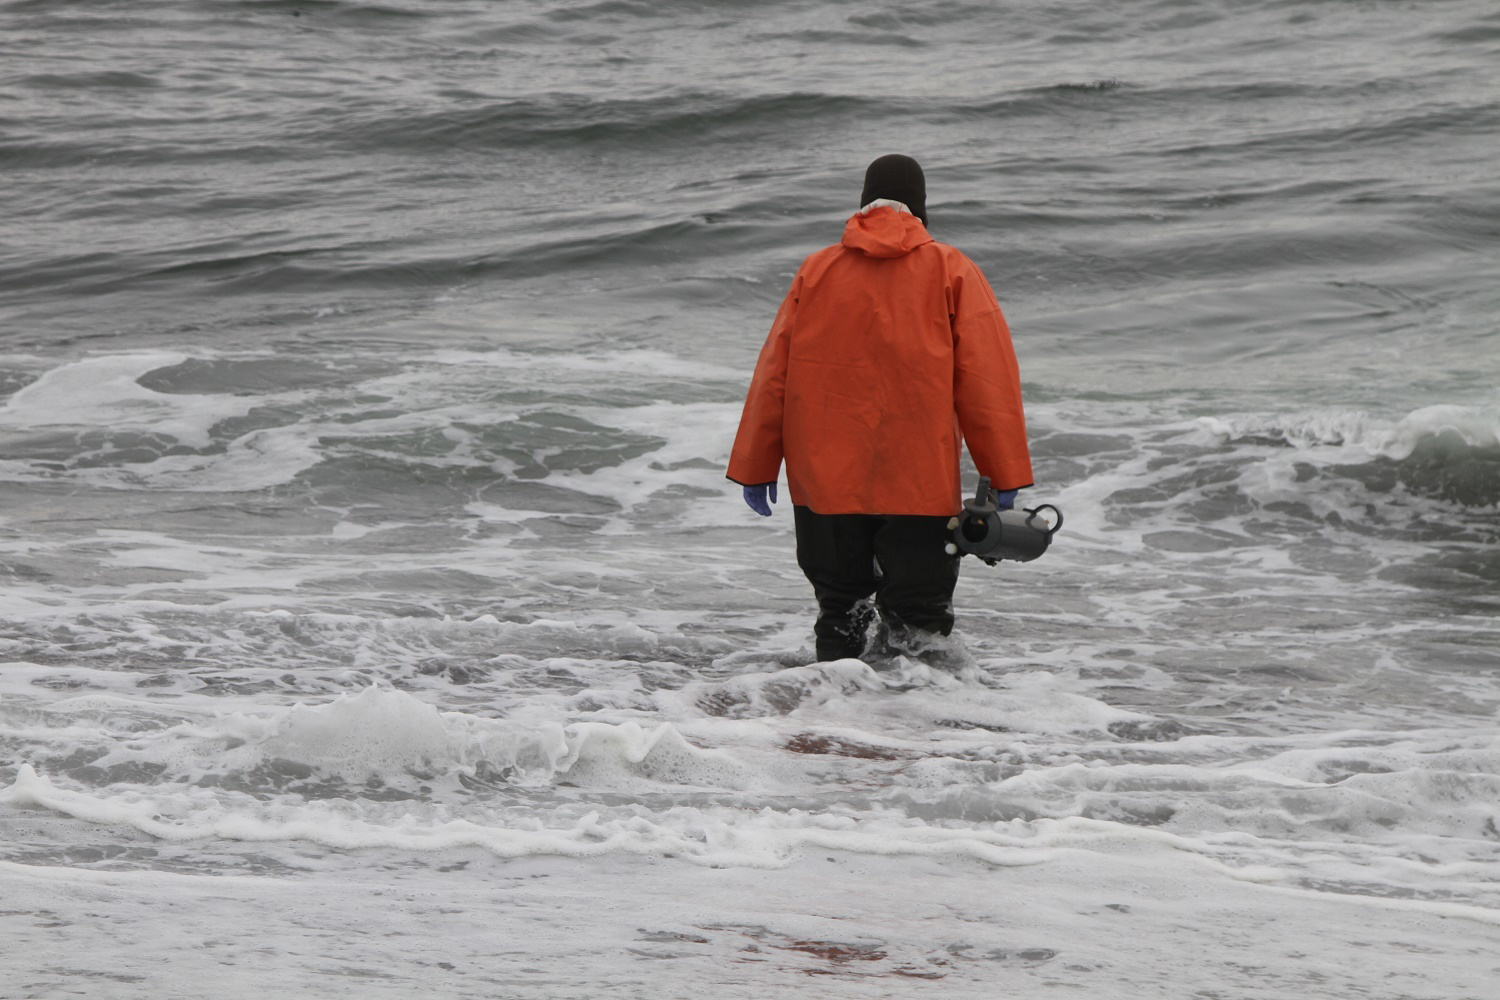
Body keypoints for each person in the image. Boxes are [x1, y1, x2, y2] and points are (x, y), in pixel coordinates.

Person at [726, 153, 1033, 662]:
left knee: (840, 609)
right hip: (919, 483)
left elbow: (773, 377)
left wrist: (757, 466)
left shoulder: (817, 270)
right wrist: (1003, 473)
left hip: (823, 484)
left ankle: (829, 719)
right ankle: (910, 728)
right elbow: (987, 382)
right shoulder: (952, 269)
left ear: (863, 201)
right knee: (919, 620)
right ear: (921, 205)